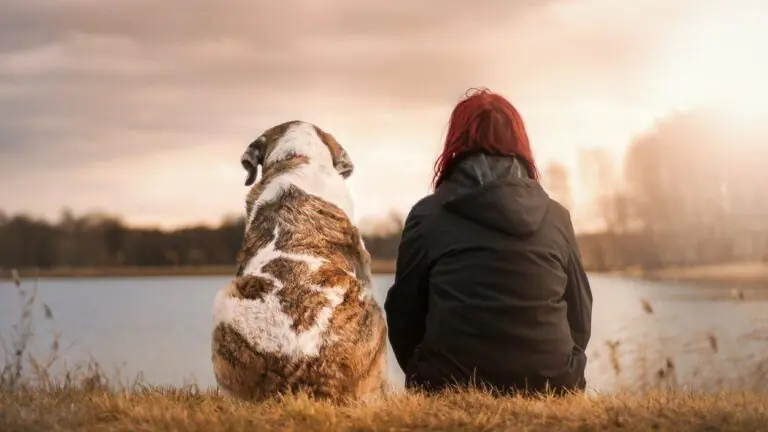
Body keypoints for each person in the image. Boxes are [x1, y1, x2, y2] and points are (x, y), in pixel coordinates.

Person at [384, 88, 592, 396]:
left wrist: (422, 372)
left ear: (455, 143)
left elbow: (403, 314)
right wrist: (561, 369)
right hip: (553, 384)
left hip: (447, 384)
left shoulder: (427, 216)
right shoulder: (557, 217)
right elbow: (580, 314)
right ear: (520, 143)